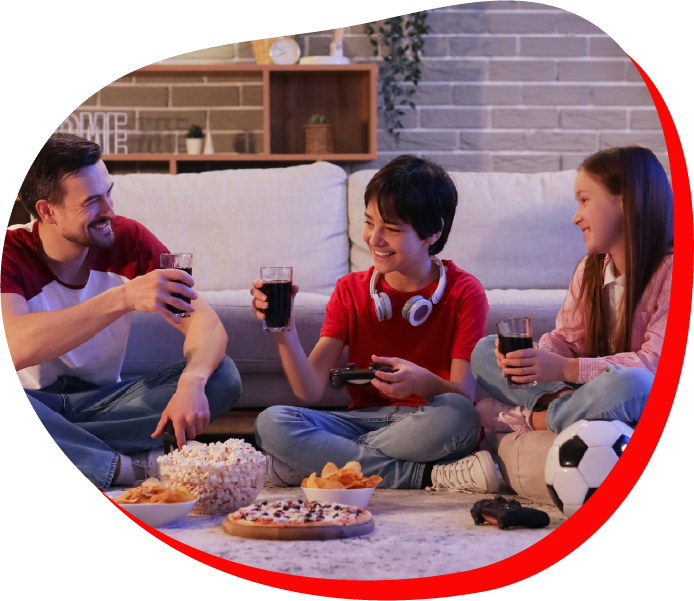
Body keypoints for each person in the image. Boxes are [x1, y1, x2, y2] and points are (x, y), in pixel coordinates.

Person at [0, 133, 242, 489]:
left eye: (109, 193)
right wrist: (123, 297)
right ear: (47, 211)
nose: (110, 212)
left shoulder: (128, 238)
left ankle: (65, 452)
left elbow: (207, 325)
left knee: (222, 375)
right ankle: (125, 468)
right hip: (33, 404)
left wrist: (192, 381)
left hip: (107, 404)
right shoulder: (11, 251)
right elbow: (15, 347)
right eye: (92, 202)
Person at [250, 155, 499, 492]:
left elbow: (463, 393)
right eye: (369, 223)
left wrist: (420, 382)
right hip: (360, 422)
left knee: (461, 415)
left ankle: (321, 461)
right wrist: (283, 327)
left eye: (392, 229)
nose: (373, 239)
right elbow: (308, 389)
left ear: (433, 232)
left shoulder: (464, 292)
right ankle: (424, 475)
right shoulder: (350, 290)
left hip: (425, 421)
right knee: (271, 423)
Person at [471, 145, 673, 436]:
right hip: (590, 387)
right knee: (484, 350)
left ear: (627, 201)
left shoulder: (674, 273)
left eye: (584, 200)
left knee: (633, 384)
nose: (575, 217)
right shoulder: (589, 269)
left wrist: (565, 369)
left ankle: (534, 419)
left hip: (646, 395)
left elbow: (656, 368)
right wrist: (533, 358)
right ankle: (568, 406)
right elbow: (568, 339)